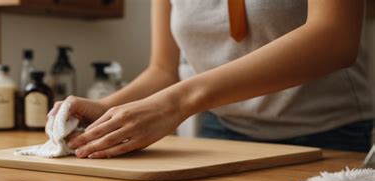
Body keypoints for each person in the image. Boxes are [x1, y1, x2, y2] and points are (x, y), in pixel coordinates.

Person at [49, 0, 373, 159]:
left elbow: (335, 38)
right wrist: (105, 107)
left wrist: (178, 102)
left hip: (329, 137)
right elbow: (163, 70)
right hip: (222, 137)